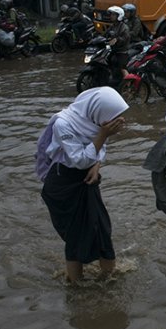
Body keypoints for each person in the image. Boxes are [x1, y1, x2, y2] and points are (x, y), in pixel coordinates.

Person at [36, 87, 128, 283]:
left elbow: (98, 147)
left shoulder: (92, 122)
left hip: (87, 178)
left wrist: (97, 164)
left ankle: (109, 280)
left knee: (102, 228)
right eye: (114, 117)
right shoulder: (64, 123)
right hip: (64, 184)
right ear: (97, 111)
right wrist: (103, 135)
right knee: (77, 235)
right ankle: (76, 286)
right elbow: (79, 159)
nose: (118, 121)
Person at [105, 5, 131, 78]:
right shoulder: (113, 26)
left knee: (122, 68)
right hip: (113, 50)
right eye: (111, 14)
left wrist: (117, 39)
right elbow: (105, 34)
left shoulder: (124, 27)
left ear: (119, 16)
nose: (111, 16)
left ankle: (128, 84)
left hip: (122, 51)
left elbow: (126, 38)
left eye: (113, 14)